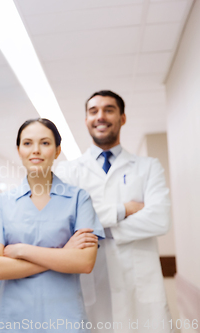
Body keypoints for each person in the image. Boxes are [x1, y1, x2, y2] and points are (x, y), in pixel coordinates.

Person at [56, 90, 172, 332]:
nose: (100, 116)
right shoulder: (68, 172)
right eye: (93, 111)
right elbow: (64, 223)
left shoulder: (148, 167)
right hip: (91, 287)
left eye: (109, 109)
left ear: (122, 118)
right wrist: (124, 210)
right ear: (86, 119)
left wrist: (97, 229)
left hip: (140, 290)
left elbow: (159, 220)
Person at [0, 118, 105, 333]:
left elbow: (85, 262)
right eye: (28, 143)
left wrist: (23, 250)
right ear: (19, 149)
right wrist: (63, 254)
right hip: (15, 321)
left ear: (57, 150)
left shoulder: (79, 199)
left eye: (45, 143)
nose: (36, 150)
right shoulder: (1, 204)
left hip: (65, 320)